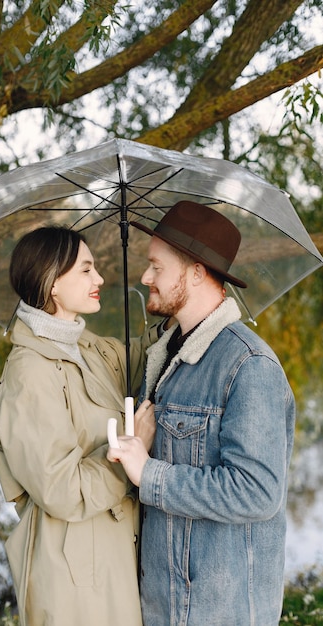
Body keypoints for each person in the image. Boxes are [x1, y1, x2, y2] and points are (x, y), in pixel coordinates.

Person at [108, 201, 296, 626]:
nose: (144, 277)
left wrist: (149, 473)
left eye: (156, 266)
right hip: (163, 605)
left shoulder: (248, 366)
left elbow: (257, 492)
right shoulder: (165, 356)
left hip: (219, 610)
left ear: (195, 272)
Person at [0, 226, 158, 626]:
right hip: (75, 580)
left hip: (109, 557)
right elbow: (60, 489)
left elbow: (147, 355)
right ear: (52, 283)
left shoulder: (87, 347)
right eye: (86, 269)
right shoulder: (29, 373)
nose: (99, 279)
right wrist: (131, 453)